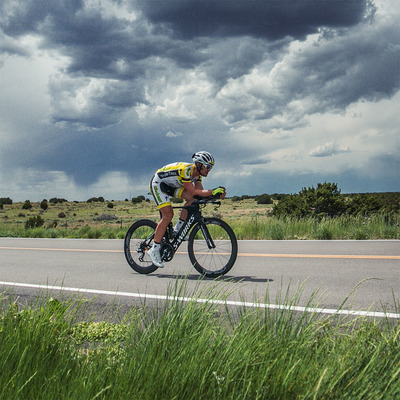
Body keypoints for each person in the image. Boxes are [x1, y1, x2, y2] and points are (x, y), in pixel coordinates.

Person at [148, 151, 226, 268]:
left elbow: (199, 194)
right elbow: (194, 191)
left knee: (192, 200)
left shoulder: (198, 175)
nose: (209, 170)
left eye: (211, 168)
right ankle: (154, 249)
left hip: (173, 185)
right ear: (199, 165)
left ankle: (178, 230)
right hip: (159, 183)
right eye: (208, 167)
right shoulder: (186, 170)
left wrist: (214, 195)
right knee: (168, 215)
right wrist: (213, 191)